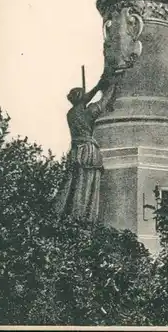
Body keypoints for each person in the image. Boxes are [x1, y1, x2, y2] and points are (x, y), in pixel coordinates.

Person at [54, 69, 123, 223]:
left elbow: (86, 98)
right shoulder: (90, 111)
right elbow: (104, 101)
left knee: (75, 183)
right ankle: (83, 217)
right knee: (87, 184)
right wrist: (113, 83)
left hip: (76, 151)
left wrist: (97, 86)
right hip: (88, 152)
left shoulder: (71, 113)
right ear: (82, 98)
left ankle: (71, 216)